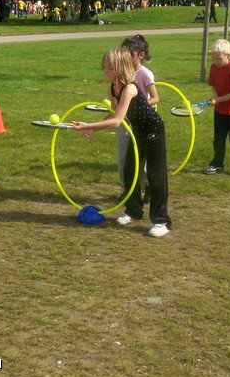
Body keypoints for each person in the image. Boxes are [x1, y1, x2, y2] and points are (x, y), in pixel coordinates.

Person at [73, 48, 171, 238]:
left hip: (154, 133)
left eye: (109, 68)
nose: (105, 71)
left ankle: (161, 221)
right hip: (138, 133)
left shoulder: (130, 88)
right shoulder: (112, 88)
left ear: (119, 69)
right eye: (103, 67)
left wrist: (90, 124)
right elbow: (114, 113)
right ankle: (134, 211)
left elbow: (118, 121)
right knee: (130, 172)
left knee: (155, 176)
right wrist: (93, 128)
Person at [117, 35, 159, 204]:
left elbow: (155, 98)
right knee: (123, 157)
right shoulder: (121, 73)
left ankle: (148, 187)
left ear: (141, 55)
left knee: (144, 159)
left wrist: (137, 108)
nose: (125, 57)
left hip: (141, 122)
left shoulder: (145, 74)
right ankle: (127, 189)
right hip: (125, 121)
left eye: (130, 54)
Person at [203, 39, 230, 176]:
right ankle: (217, 163)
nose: (216, 61)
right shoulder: (213, 68)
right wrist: (215, 97)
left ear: (228, 55)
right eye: (214, 58)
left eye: (219, 58)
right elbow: (214, 85)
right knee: (218, 139)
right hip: (220, 111)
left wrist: (218, 99)